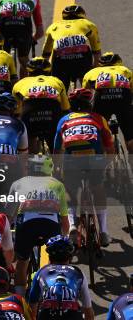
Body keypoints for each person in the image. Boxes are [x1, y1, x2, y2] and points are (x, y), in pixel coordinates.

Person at [54, 88, 114, 247]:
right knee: (98, 188)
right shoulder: (98, 118)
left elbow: (56, 149)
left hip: (72, 160)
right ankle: (104, 232)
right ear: (90, 103)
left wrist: (57, 170)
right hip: (94, 159)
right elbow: (109, 147)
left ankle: (73, 225)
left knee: (70, 190)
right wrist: (107, 165)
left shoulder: (63, 120)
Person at [7, 154, 69, 296]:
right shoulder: (58, 184)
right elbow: (64, 219)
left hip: (27, 225)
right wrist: (64, 238)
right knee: (55, 261)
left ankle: (20, 297)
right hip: (51, 224)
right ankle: (52, 290)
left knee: (22, 262)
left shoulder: (18, 183)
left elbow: (9, 214)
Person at [28, 235, 94, 320]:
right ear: (70, 257)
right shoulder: (78, 273)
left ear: (49, 257)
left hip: (47, 315)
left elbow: (32, 308)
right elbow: (88, 311)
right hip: (72, 315)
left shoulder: (41, 272)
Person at [12, 56, 69, 152]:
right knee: (55, 144)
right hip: (52, 114)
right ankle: (58, 163)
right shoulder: (56, 81)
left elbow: (16, 112)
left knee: (28, 140)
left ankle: (30, 158)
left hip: (30, 113)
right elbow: (66, 108)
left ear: (29, 72)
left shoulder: (19, 83)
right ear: (49, 71)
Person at [83, 51, 133, 152]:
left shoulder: (91, 72)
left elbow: (85, 96)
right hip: (123, 98)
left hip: (102, 99)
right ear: (118, 62)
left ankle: (102, 152)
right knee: (130, 135)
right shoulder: (125, 70)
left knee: (99, 130)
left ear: (100, 63)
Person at [42, 4, 101, 90]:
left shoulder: (53, 26)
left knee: (60, 88)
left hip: (61, 61)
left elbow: (46, 53)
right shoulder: (88, 24)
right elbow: (96, 51)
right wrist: (94, 71)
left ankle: (62, 96)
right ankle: (87, 94)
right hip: (81, 60)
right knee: (87, 85)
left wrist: (45, 72)